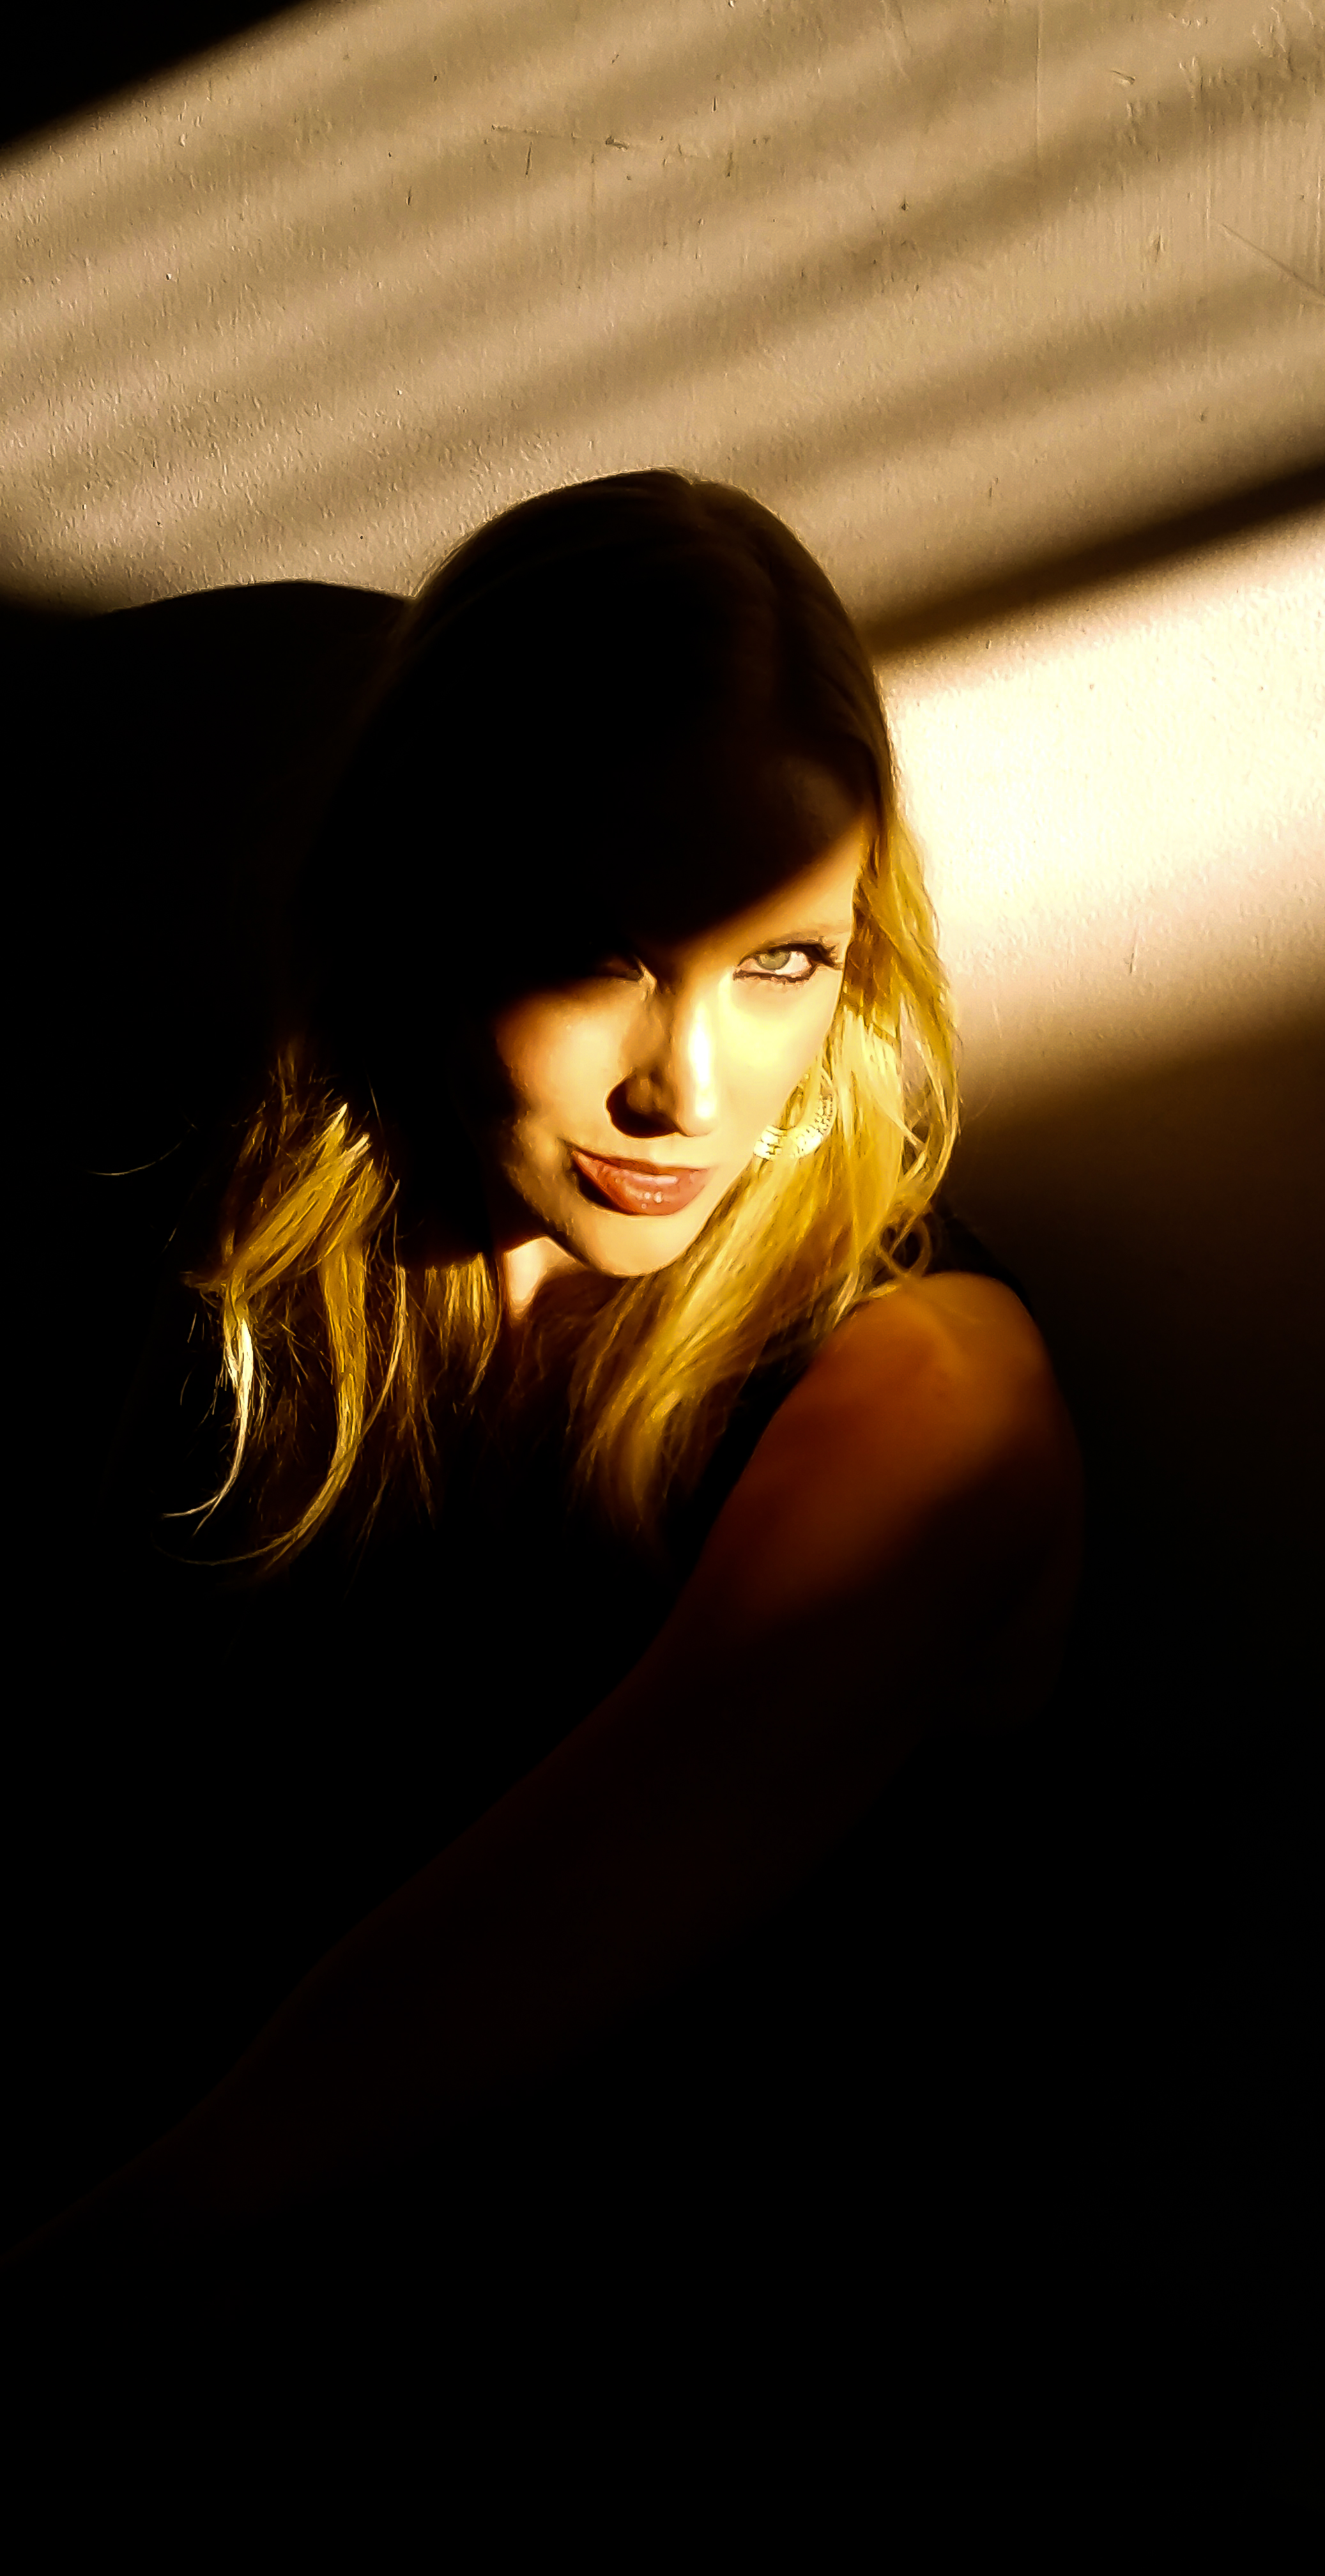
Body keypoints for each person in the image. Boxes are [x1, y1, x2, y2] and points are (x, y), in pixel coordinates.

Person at [2, 469, 1087, 2494]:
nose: (684, 1088)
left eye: (781, 964)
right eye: (599, 950)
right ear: (425, 897)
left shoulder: (929, 1397)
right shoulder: (257, 1253)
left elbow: (480, 1999)